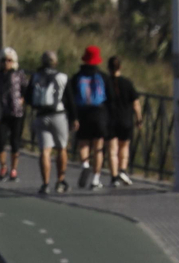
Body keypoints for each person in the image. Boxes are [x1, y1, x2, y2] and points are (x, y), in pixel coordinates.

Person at [27, 50, 70, 195]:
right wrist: (75, 117)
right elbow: (70, 99)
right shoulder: (62, 77)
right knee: (61, 148)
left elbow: (28, 97)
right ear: (56, 62)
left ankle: (45, 184)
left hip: (41, 115)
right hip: (58, 115)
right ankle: (60, 180)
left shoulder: (36, 77)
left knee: (45, 151)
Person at [70, 45, 110, 190]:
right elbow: (109, 98)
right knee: (98, 148)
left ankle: (85, 165)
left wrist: (73, 118)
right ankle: (95, 179)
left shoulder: (77, 77)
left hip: (82, 113)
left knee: (83, 144)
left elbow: (71, 98)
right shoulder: (103, 77)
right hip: (99, 113)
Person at [0, 47, 29, 182]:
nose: (6, 63)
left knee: (15, 142)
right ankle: (3, 167)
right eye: (3, 60)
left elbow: (26, 89)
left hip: (17, 113)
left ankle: (14, 170)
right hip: (1, 112)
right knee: (1, 141)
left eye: (9, 60)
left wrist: (22, 99)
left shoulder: (19, 74)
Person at [106, 55, 142, 186]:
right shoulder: (127, 83)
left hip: (110, 119)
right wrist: (139, 118)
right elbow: (136, 103)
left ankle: (114, 177)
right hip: (126, 119)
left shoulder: (106, 83)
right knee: (124, 146)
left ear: (108, 68)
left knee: (112, 149)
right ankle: (122, 169)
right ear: (120, 67)